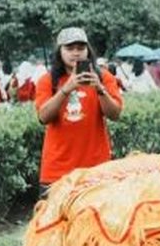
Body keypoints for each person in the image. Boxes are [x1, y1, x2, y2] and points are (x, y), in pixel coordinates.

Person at [35, 27, 123, 191]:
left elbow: (115, 114)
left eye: (81, 48)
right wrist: (66, 89)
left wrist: (99, 89)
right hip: (57, 172)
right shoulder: (47, 81)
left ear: (88, 51)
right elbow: (43, 117)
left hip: (96, 170)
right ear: (59, 51)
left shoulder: (104, 77)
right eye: (69, 48)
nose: (76, 53)